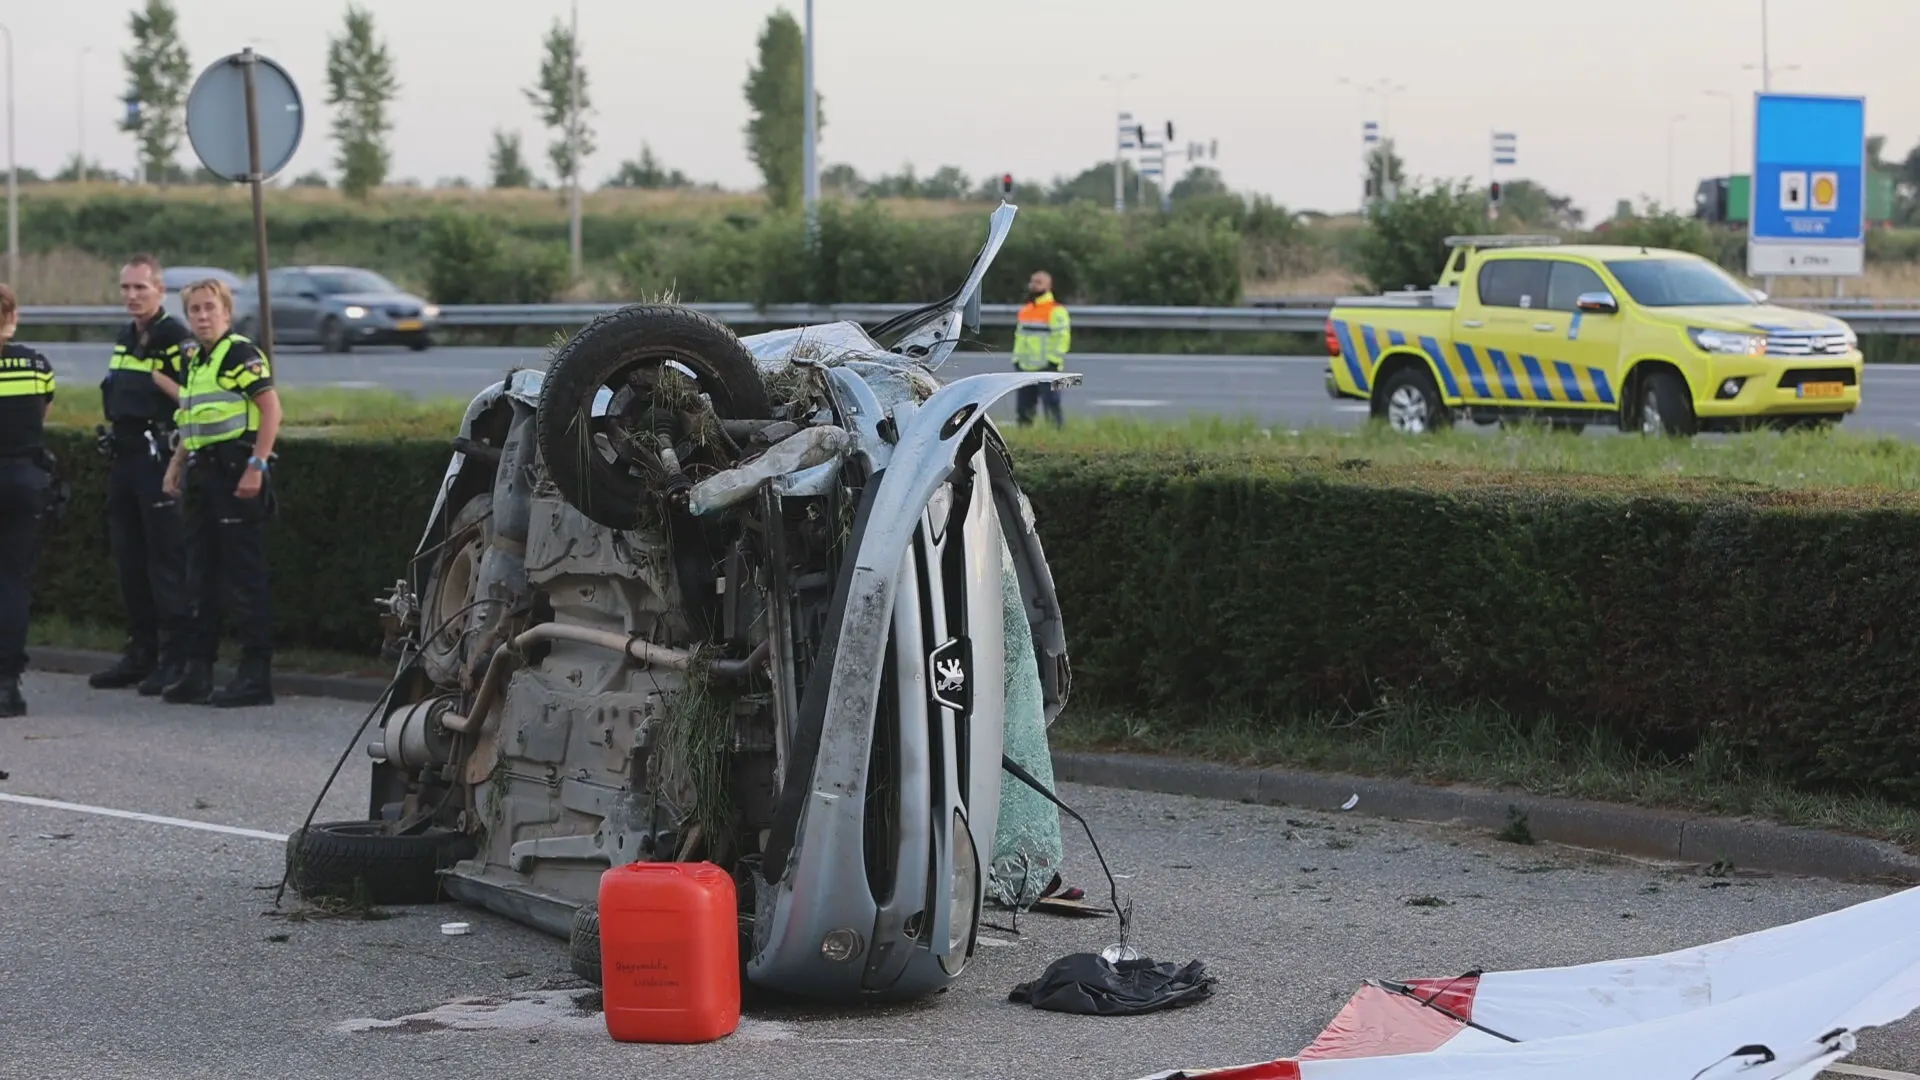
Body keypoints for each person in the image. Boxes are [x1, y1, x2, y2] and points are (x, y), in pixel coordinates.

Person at [159, 278, 283, 708]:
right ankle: (199, 671)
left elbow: (272, 410)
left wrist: (257, 466)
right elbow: (190, 419)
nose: (203, 316)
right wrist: (176, 466)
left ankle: (256, 674)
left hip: (237, 471)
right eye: (195, 310)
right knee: (201, 576)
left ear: (226, 313)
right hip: (204, 473)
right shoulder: (195, 359)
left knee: (244, 577)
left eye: (210, 308)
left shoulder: (240, 354)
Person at [89, 253, 196, 696]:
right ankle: (141, 652)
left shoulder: (175, 337)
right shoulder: (126, 335)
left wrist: (164, 383)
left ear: (160, 291)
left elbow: (197, 398)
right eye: (126, 288)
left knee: (165, 562)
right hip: (125, 456)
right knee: (130, 560)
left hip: (158, 458)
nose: (132, 296)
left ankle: (176, 659)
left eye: (141, 288)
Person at [0, 284, 57, 718]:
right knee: (15, 582)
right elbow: (41, 415)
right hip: (25, 477)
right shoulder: (37, 363)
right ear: (12, 317)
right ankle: (8, 686)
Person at [1011, 269, 1070, 427]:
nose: (1033, 285)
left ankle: (1057, 437)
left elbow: (1062, 338)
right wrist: (1016, 360)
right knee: (1024, 409)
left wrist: (1054, 361)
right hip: (1025, 367)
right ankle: (1024, 438)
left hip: (1048, 367)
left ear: (1049, 286)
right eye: (1032, 282)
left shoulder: (1056, 310)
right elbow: (1020, 337)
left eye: (1039, 282)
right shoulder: (1026, 310)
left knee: (1052, 406)